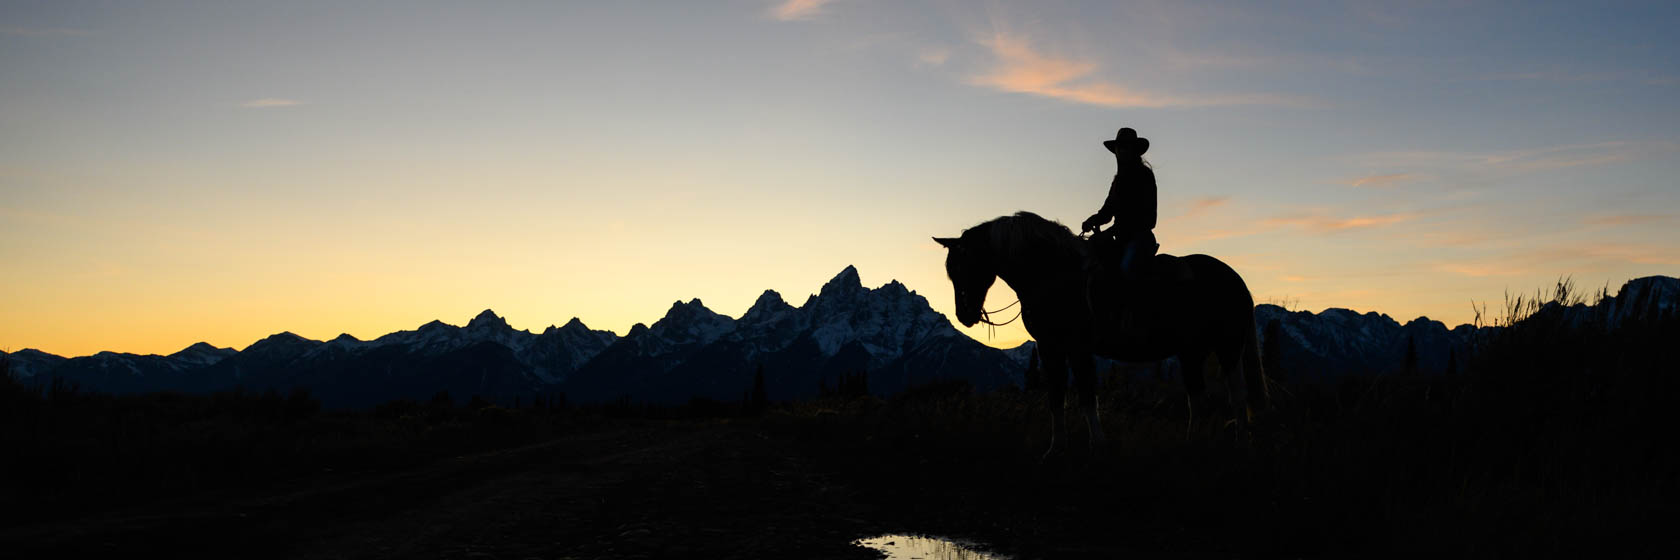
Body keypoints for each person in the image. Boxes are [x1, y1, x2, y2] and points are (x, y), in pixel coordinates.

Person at [1081, 127, 1159, 331]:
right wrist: (1094, 220)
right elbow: (1108, 211)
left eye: (1126, 148)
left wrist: (1113, 230)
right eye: (1119, 148)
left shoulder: (1144, 176)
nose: (1121, 152)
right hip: (1122, 238)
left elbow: (1148, 218)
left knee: (1127, 269)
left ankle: (1134, 321)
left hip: (1140, 238)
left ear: (1135, 151)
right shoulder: (1118, 181)